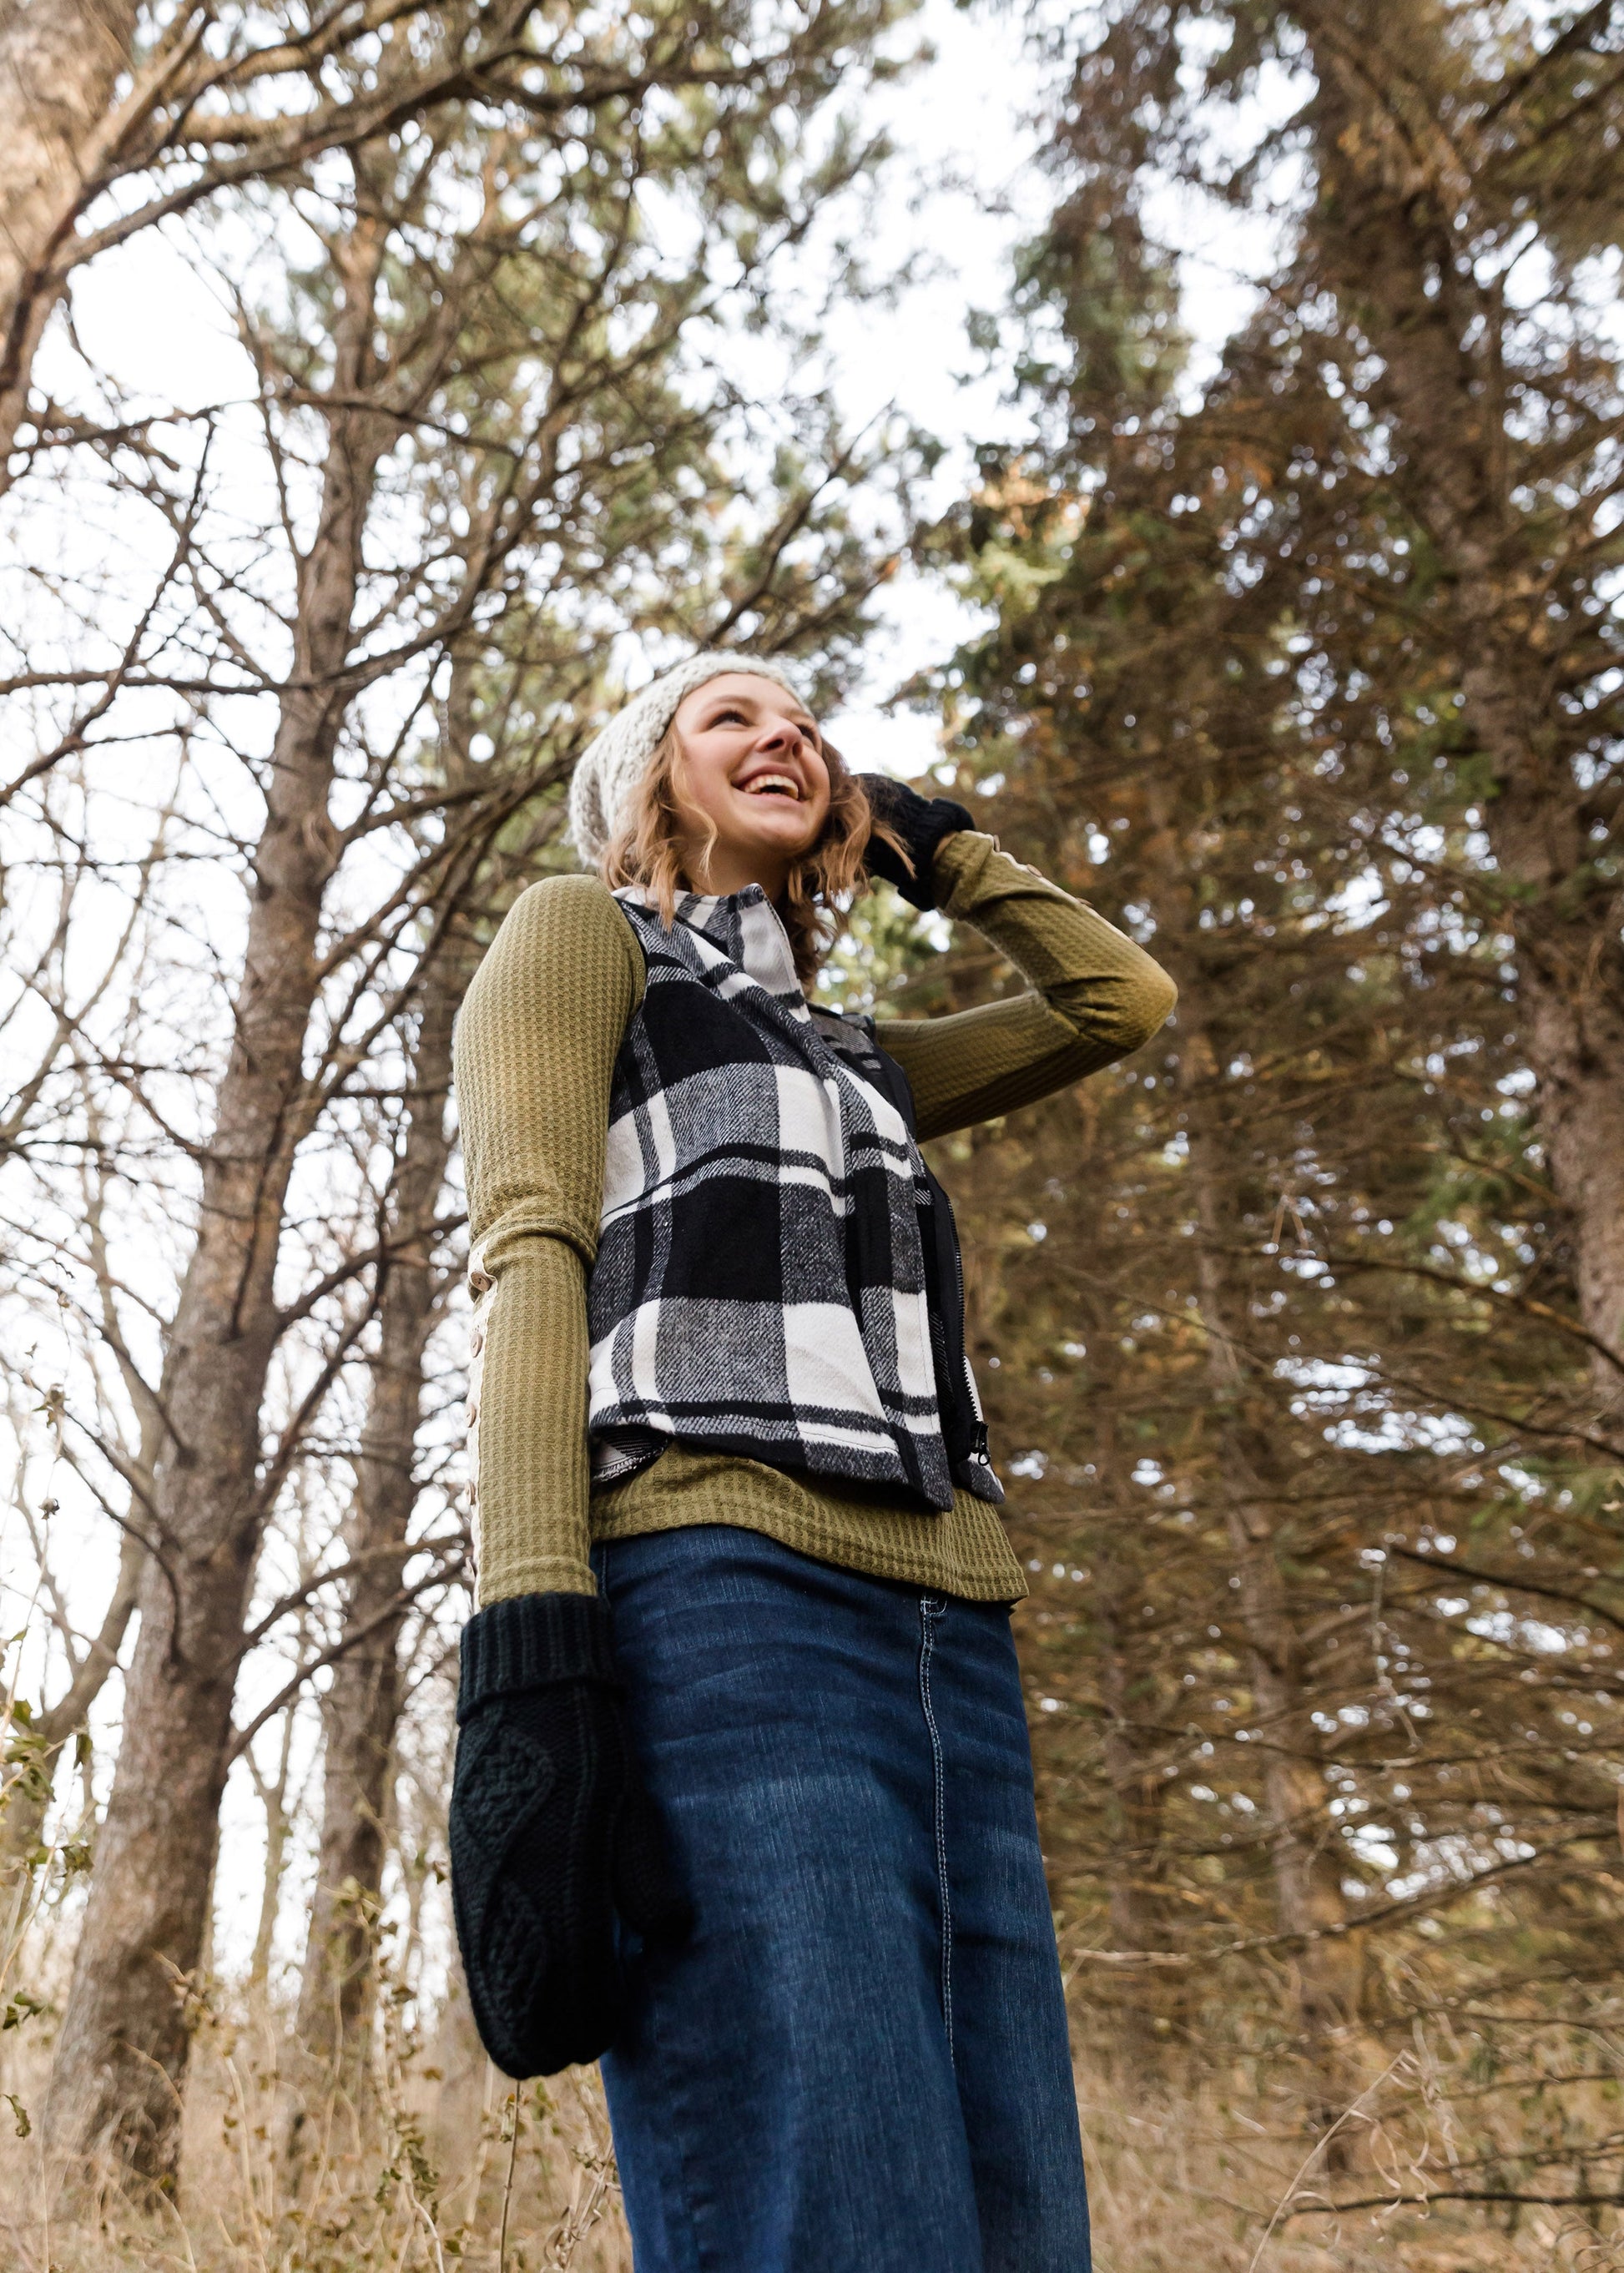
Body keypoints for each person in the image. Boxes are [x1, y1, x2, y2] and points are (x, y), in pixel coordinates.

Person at [447, 653, 1177, 2273]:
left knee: (1012, 2231)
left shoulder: (860, 1055)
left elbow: (1114, 1001)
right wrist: (531, 1653)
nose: (784, 732)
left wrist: (945, 848)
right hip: (727, 1610)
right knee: (841, 2221)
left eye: (803, 723)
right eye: (730, 716)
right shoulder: (588, 942)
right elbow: (531, 1260)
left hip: (953, 1645)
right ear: (648, 779)